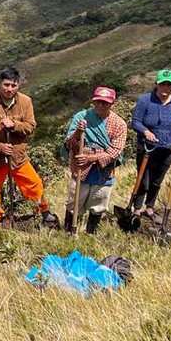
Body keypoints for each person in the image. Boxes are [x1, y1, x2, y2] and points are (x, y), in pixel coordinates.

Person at [0, 67, 58, 228]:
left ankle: (44, 212)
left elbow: (30, 127)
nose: (9, 89)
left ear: (18, 85)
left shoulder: (25, 102)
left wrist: (14, 125)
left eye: (13, 85)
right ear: (0, 83)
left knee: (33, 183)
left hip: (18, 156)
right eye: (6, 85)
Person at [61, 86, 128, 234]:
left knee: (98, 204)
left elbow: (115, 152)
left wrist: (91, 158)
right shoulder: (81, 117)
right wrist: (78, 131)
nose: (101, 105)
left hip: (104, 172)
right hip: (80, 170)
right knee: (74, 204)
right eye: (98, 101)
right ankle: (68, 232)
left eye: (105, 102)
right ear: (93, 102)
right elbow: (68, 143)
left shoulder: (119, 124)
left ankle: (91, 233)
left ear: (112, 103)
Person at [129, 69, 171, 218]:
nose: (165, 88)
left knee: (157, 180)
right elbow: (135, 121)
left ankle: (149, 207)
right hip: (147, 147)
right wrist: (146, 132)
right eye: (162, 84)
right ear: (156, 84)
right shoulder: (145, 100)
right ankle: (136, 207)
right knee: (144, 179)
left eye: (169, 85)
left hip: (168, 148)